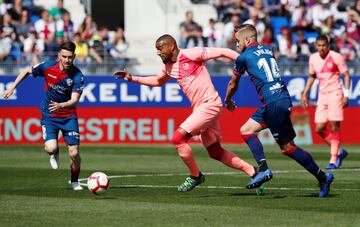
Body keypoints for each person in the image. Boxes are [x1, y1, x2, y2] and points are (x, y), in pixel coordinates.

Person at [114, 34, 265, 192]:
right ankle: (254, 172)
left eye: (160, 49)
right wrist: (132, 78)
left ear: (172, 46)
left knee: (178, 137)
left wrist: (245, 60)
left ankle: (195, 175)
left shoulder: (191, 54)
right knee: (215, 151)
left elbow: (222, 51)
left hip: (209, 105)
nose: (158, 53)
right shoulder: (168, 67)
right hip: (202, 108)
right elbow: (158, 81)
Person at [224, 24, 334, 198]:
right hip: (279, 99)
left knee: (287, 148)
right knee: (247, 131)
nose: (236, 44)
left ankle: (265, 170)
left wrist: (228, 100)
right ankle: (322, 177)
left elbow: (232, 83)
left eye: (237, 41)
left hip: (273, 103)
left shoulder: (243, 57)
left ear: (247, 39)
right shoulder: (268, 50)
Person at [2, 42, 85, 190]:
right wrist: (12, 87)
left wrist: (61, 105)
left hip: (68, 116)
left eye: (70, 57)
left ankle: (74, 181)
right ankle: (55, 151)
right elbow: (27, 71)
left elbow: (75, 100)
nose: (67, 60)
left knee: (74, 153)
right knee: (50, 148)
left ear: (74, 57)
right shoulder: (48, 67)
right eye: (64, 57)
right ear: (59, 55)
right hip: (49, 115)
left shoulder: (78, 75)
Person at [301, 35, 350, 170]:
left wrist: (346, 95)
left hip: (335, 94)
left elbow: (346, 75)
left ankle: (334, 158)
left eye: (324, 45)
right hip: (322, 96)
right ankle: (339, 151)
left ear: (328, 45)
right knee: (319, 128)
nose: (322, 48)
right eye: (319, 45)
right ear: (316, 46)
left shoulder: (336, 57)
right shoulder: (313, 58)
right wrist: (305, 93)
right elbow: (311, 76)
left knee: (334, 126)